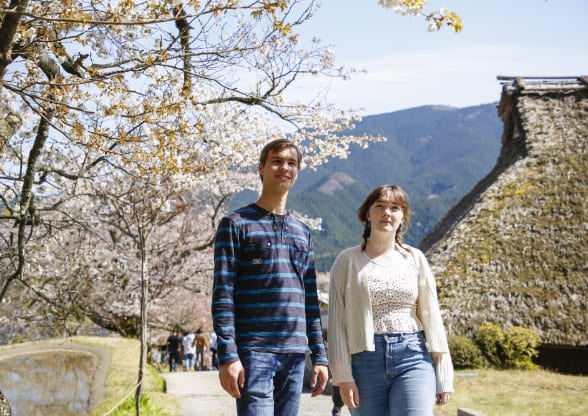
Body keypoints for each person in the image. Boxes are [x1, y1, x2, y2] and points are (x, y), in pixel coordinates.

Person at [212, 139, 329, 416]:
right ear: (261, 168)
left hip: (295, 352)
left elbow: (309, 300)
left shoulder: (303, 232)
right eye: (277, 161)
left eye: (291, 163)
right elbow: (223, 293)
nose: (284, 167)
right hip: (254, 350)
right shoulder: (236, 224)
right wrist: (228, 355)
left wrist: (320, 356)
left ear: (297, 172)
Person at [328, 184, 453, 415]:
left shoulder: (416, 259)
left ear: (403, 216)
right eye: (380, 206)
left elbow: (433, 318)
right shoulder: (347, 261)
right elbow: (337, 326)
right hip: (364, 363)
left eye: (395, 207)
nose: (387, 213)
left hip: (413, 356)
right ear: (368, 213)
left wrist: (444, 373)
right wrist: (343, 377)